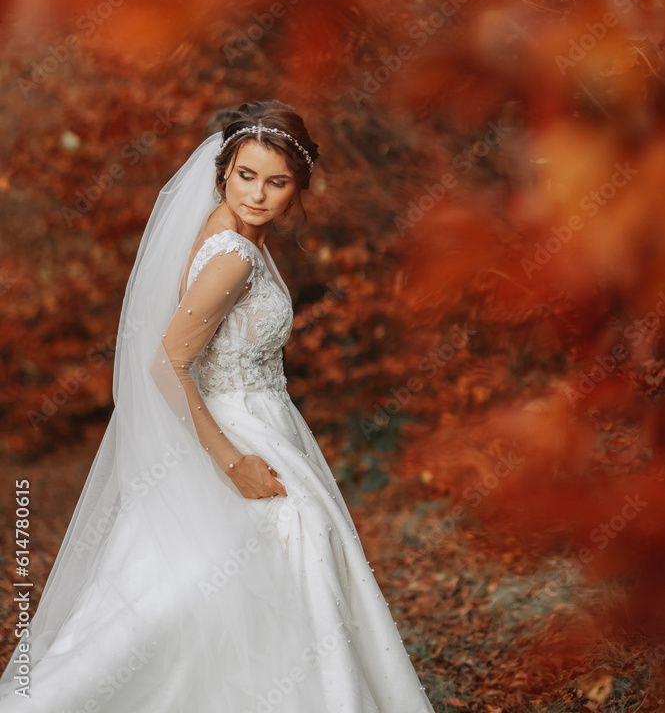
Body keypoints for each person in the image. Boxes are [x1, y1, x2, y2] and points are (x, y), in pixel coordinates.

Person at [0, 99, 437, 713]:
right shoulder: (233, 257)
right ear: (224, 172)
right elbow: (167, 364)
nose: (258, 194)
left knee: (212, 586)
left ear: (300, 186)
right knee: (246, 566)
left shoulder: (227, 236)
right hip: (234, 431)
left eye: (277, 182)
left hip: (260, 422)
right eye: (246, 176)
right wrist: (231, 461)